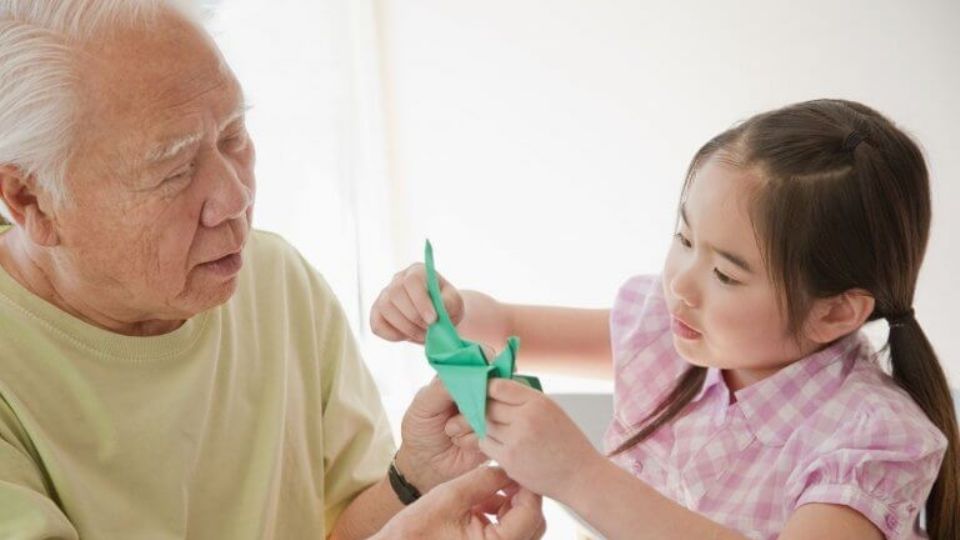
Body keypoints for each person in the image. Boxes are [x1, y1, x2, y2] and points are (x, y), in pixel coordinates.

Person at [0, 2, 545, 538]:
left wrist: (416, 479)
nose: (235, 197)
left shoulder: (275, 281)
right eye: (174, 169)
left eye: (233, 137)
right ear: (32, 201)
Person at [371, 99, 959, 539]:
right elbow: (503, 326)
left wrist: (580, 475)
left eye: (726, 275)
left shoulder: (872, 439)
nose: (678, 284)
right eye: (683, 237)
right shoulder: (667, 334)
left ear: (835, 311)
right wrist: (448, 310)